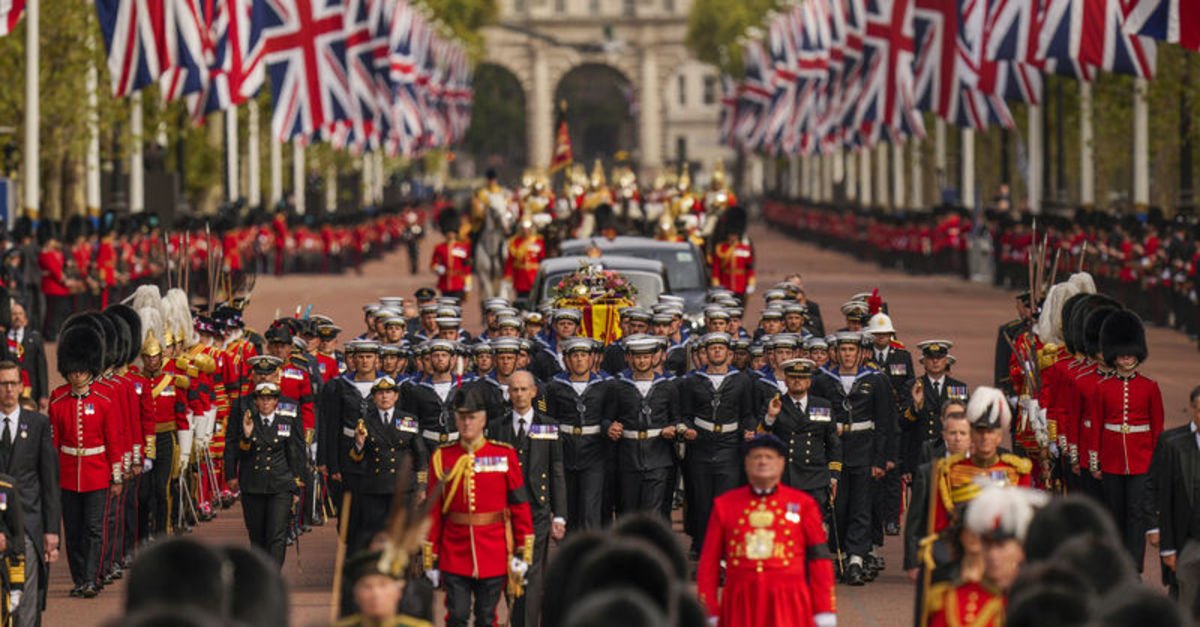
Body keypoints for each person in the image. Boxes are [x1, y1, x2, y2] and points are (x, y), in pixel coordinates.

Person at [695, 433, 836, 627]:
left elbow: (820, 559)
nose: (762, 462)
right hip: (741, 604)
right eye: (757, 457)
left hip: (789, 603)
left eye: (769, 457)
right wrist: (708, 609)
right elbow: (708, 562)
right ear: (746, 464)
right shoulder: (725, 505)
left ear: (781, 463)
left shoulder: (803, 504)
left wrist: (824, 609)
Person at [423, 385, 533, 627]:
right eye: (461, 417)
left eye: (471, 417)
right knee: (457, 615)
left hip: (493, 551)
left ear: (483, 419)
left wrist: (522, 552)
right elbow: (433, 512)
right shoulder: (443, 457)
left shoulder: (504, 455)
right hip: (454, 551)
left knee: (486, 617)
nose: (466, 423)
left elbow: (519, 506)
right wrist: (431, 556)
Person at [811, 331, 897, 585]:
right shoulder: (822, 380)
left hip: (865, 448)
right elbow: (817, 416)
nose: (848, 355)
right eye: (843, 350)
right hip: (836, 448)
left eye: (852, 350)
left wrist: (882, 459)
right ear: (836, 353)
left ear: (861, 353)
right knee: (838, 505)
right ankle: (840, 554)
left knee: (862, 505)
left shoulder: (877, 380)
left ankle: (856, 558)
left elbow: (885, 422)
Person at [487, 370, 566, 627]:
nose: (519, 394)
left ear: (534, 392)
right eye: (515, 390)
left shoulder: (548, 425)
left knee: (531, 572)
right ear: (508, 394)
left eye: (524, 389)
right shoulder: (497, 427)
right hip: (505, 510)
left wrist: (560, 515)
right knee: (511, 570)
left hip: (537, 510)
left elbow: (556, 471)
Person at [50, 323, 122, 598]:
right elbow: (53, 445)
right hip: (68, 474)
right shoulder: (57, 401)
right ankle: (79, 578)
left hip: (96, 473)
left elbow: (113, 441)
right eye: (72, 370)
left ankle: (91, 578)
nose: (76, 375)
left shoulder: (104, 400)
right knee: (74, 531)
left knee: (93, 529)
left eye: (81, 369)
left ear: (90, 368)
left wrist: (116, 476)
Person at [1090, 310, 1162, 569]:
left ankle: (1134, 567)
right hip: (1111, 460)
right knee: (1116, 514)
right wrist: (1095, 461)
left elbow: (1157, 428)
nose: (1127, 358)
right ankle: (1118, 564)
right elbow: (1096, 426)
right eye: (1122, 354)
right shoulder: (1103, 388)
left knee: (1137, 515)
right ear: (1114, 355)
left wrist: (1155, 463)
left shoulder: (1150, 387)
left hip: (1141, 460)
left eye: (1131, 353)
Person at [678, 332, 757, 554]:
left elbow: (748, 413)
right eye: (712, 349)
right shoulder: (692, 381)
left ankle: (726, 553)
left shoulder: (742, 380)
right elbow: (685, 414)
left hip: (729, 446)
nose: (716, 352)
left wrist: (749, 430)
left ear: (730, 354)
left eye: (721, 349)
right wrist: (686, 429)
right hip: (701, 446)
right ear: (705, 353)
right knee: (702, 503)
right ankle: (706, 551)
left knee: (727, 502)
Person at [925, 486, 1045, 627]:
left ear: (1020, 549)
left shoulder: (1043, 601)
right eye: (987, 545)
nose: (993, 555)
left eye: (1001, 546)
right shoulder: (951, 600)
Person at [0, 360, 58, 626]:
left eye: (13, 383)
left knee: (26, 603)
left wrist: (51, 532)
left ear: (21, 387)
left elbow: (49, 481)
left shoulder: (37, 425)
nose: (9, 390)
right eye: (3, 384)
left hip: (28, 526)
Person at [224, 382, 305, 567]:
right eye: (262, 399)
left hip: (280, 485)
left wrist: (296, 484)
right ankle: (260, 574)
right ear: (256, 402)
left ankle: (273, 575)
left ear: (276, 401)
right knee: (257, 536)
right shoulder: (248, 422)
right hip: (254, 485)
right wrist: (246, 436)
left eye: (270, 399)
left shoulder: (285, 423)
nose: (266, 402)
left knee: (277, 534)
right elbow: (240, 452)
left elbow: (294, 454)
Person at [346, 376, 428, 554]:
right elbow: (356, 458)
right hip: (375, 488)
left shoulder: (409, 420)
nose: (384, 397)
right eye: (380, 393)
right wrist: (359, 444)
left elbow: (420, 455)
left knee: (402, 534)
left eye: (389, 392)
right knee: (377, 535)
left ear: (396, 396)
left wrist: (421, 486)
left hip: (403, 486)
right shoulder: (365, 422)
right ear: (374, 398)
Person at [543, 337, 612, 530]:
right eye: (575, 356)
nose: (579, 360)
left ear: (591, 359)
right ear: (566, 360)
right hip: (565, 450)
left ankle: (592, 554)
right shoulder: (554, 386)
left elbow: (609, 416)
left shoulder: (605, 386)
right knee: (568, 507)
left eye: (584, 355)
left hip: (594, 452)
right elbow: (548, 419)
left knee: (590, 508)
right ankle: (570, 553)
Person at [608, 335, 679, 518]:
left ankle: (650, 546)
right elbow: (607, 418)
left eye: (646, 357)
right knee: (628, 511)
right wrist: (609, 427)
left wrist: (673, 428)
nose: (642, 361)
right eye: (638, 357)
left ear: (654, 358)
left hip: (658, 456)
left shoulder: (667, 386)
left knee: (652, 512)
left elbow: (677, 418)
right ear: (630, 358)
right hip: (628, 456)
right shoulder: (618, 386)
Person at [763, 358, 841, 515]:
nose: (797, 381)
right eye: (793, 377)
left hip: (816, 475)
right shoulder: (776, 404)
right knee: (791, 525)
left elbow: (833, 442)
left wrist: (834, 475)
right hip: (788, 477)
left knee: (814, 525)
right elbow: (763, 439)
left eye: (802, 377)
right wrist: (770, 416)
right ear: (785, 380)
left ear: (809, 382)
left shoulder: (822, 405)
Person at [8, 302, 48, 413]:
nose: (17, 317)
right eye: (14, 314)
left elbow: (41, 367)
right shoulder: (3, 338)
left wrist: (44, 394)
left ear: (25, 318)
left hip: (31, 388)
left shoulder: (35, 338)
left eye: (20, 314)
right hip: (9, 388)